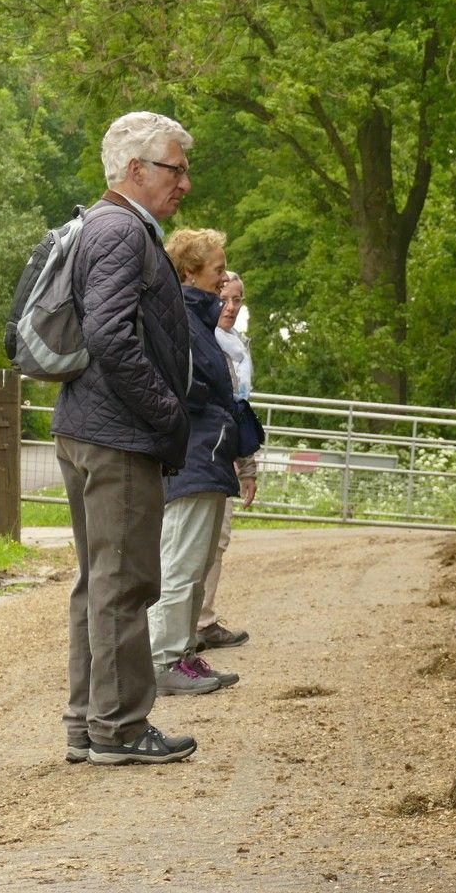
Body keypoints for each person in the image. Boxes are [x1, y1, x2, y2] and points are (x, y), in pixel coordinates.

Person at [52, 111, 198, 766]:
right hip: (118, 437)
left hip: (93, 427)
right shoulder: (119, 231)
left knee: (101, 583)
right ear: (135, 169)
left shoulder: (105, 225)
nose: (185, 183)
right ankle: (119, 728)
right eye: (176, 167)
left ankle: (89, 723)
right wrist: (166, 412)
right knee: (124, 584)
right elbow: (111, 335)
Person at [148, 229, 242, 696]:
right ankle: (163, 659)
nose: (224, 281)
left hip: (208, 455)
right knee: (181, 565)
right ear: (189, 273)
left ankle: (183, 653)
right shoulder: (181, 323)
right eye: (218, 271)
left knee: (196, 563)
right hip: (193, 458)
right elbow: (188, 389)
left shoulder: (198, 323)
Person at [196, 271, 253, 650]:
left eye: (237, 300)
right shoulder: (201, 339)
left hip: (226, 455)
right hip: (200, 454)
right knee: (193, 540)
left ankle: (202, 619)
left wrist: (247, 465)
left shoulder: (238, 347)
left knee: (218, 540)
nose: (230, 307)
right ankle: (188, 626)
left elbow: (242, 408)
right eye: (224, 298)